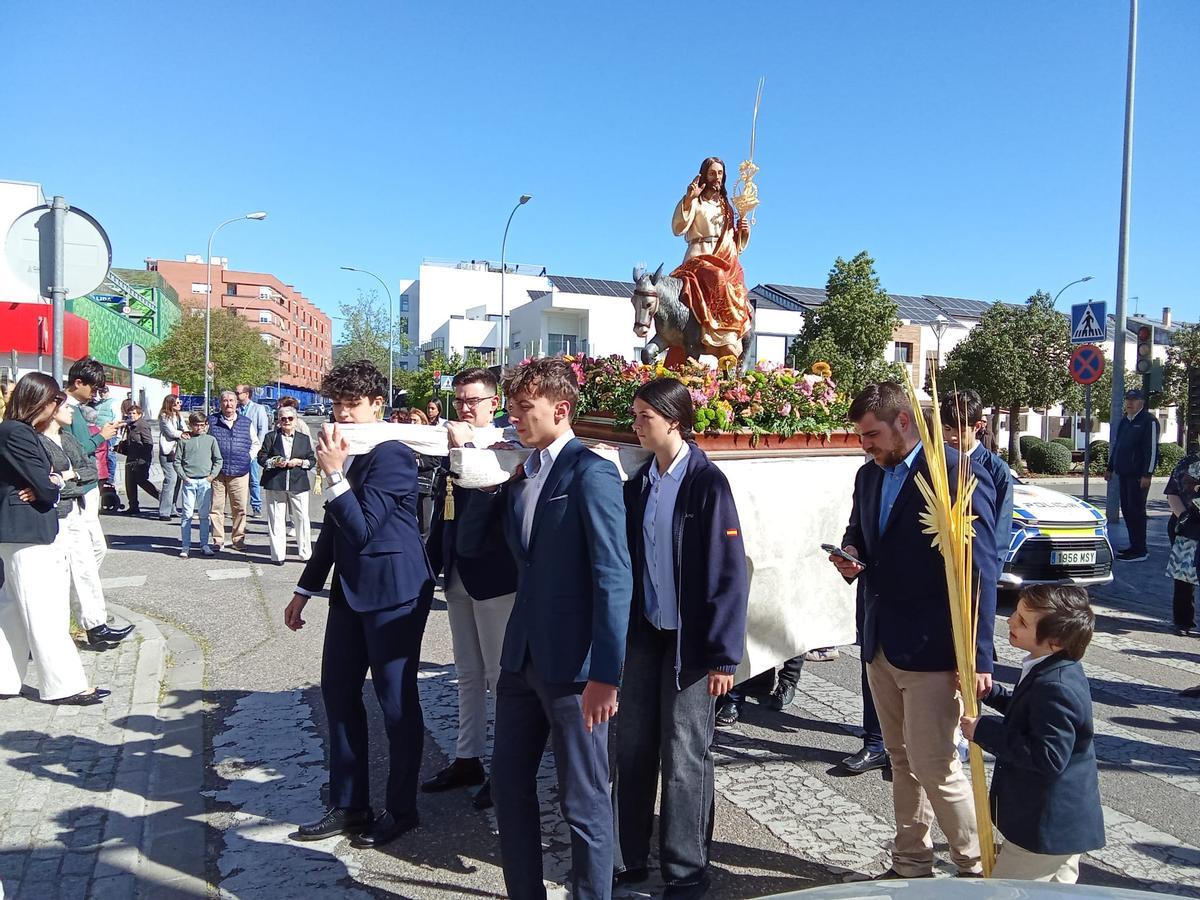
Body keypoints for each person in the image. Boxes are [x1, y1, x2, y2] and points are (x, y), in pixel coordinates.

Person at [456, 356, 632, 900]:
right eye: (509, 405)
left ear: (559, 409)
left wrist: (606, 673)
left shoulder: (591, 472)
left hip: (575, 669)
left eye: (522, 406)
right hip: (521, 661)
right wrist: (488, 485)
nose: (512, 416)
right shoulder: (523, 472)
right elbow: (470, 548)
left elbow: (614, 575)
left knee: (583, 801)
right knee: (509, 789)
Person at [829, 381, 998, 879]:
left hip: (934, 650)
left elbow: (979, 570)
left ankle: (979, 869)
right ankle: (911, 863)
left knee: (936, 766)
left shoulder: (955, 472)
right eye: (861, 437)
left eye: (872, 434)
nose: (866, 444)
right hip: (880, 640)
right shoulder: (869, 475)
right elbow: (859, 530)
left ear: (904, 422)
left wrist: (979, 657)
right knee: (900, 760)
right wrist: (851, 554)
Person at [284, 360, 435, 850]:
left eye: (352, 404)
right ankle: (350, 804)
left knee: (395, 703)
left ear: (377, 405)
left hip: (395, 590)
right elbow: (334, 529)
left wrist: (332, 474)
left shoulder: (392, 454)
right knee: (339, 693)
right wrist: (305, 588)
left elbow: (364, 526)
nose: (342, 415)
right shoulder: (346, 452)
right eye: (336, 405)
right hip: (350, 591)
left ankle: (402, 809)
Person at [614, 378, 748, 896]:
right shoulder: (641, 482)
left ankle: (686, 868)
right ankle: (629, 855)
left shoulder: (706, 483)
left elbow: (727, 574)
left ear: (674, 419)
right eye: (635, 415)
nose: (636, 425)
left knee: (686, 751)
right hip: (646, 633)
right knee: (633, 745)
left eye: (645, 416)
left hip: (692, 644)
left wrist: (723, 655)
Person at [960, 585, 1104, 883]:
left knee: (1007, 889)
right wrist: (993, 694)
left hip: (1045, 825)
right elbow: (1031, 714)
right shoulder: (1055, 668)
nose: (1011, 621)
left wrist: (983, 730)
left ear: (1053, 641)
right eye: (1016, 612)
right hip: (1061, 826)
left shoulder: (1056, 686)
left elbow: (1047, 756)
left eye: (1023, 621)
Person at [422, 367, 518, 811]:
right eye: (459, 400)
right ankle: (468, 757)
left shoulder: (505, 444)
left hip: (494, 571)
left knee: (500, 676)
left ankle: (505, 768)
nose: (463, 408)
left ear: (492, 404)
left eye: (472, 400)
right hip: (457, 567)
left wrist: (463, 448)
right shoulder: (449, 442)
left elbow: (492, 497)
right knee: (467, 671)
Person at [0, 373, 109, 705]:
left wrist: (50, 481)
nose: (58, 408)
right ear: (41, 402)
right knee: (44, 609)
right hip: (27, 530)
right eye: (55, 402)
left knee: (14, 611)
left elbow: (46, 481)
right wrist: (54, 481)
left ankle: (4, 679)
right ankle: (64, 685)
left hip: (21, 530)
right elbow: (46, 485)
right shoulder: (17, 433)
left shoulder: (17, 432)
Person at [36, 385, 134, 649]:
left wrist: (69, 476)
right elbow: (44, 484)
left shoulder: (67, 440)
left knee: (87, 566)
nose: (71, 410)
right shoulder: (39, 442)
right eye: (65, 407)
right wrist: (68, 479)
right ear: (51, 410)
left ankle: (96, 625)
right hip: (57, 516)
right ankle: (68, 629)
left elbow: (90, 470)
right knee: (62, 574)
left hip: (76, 509)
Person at [671, 156, 753, 361]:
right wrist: (689, 199)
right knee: (716, 275)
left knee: (738, 287)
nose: (717, 177)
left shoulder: (726, 206)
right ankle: (715, 334)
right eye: (712, 173)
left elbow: (734, 242)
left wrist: (742, 232)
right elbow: (678, 228)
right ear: (704, 176)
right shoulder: (696, 201)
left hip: (725, 255)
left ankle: (731, 335)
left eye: (720, 173)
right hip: (699, 255)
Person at [1105, 388, 1159, 562]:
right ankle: (1133, 546)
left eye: (1134, 400)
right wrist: (1110, 467)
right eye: (1128, 399)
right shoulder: (1124, 421)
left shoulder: (1148, 421)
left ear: (1141, 402)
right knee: (1127, 511)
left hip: (1138, 475)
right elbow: (1118, 446)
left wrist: (1147, 474)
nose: (1130, 402)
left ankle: (1140, 550)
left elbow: (1151, 449)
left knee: (1137, 511)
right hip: (1124, 472)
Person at [258, 406, 315, 564]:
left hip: (298, 482)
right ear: (279, 420)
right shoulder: (271, 437)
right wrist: (275, 461)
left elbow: (312, 460)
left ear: (296, 420)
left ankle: (305, 554)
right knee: (276, 519)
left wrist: (300, 462)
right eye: (283, 419)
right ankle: (278, 556)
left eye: (290, 419)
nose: (287, 422)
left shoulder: (303, 438)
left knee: (302, 518)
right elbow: (261, 457)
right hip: (276, 482)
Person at [208, 390, 257, 553]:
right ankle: (218, 540)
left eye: (231, 400)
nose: (228, 404)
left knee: (240, 508)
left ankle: (238, 539)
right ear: (220, 403)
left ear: (236, 403)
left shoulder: (246, 422)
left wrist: (247, 458)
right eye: (225, 401)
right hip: (217, 472)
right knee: (216, 508)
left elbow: (255, 444)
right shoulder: (212, 421)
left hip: (240, 471)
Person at [174, 412, 223, 558]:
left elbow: (218, 459)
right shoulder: (184, 441)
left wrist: (211, 476)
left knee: (203, 515)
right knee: (187, 514)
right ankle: (185, 546)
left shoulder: (211, 440)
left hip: (205, 481)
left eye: (203, 425)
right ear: (191, 425)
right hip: (189, 480)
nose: (200, 428)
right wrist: (183, 476)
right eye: (196, 425)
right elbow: (177, 461)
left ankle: (204, 544)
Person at [1163, 450, 1200, 637]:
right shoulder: (1188, 462)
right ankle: (1183, 621)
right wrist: (1184, 517)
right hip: (1187, 524)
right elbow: (1172, 493)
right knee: (1184, 575)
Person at [236, 384, 271, 516]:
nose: (236, 395)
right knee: (237, 480)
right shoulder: (237, 409)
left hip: (253, 449)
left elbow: (263, 429)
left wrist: (258, 448)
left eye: (238, 392)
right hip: (238, 450)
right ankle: (239, 507)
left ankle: (256, 506)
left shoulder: (258, 409)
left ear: (247, 394)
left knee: (253, 479)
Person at [119, 404, 160, 515]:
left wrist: (144, 460)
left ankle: (162, 498)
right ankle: (133, 506)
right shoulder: (130, 425)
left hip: (141, 458)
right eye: (130, 413)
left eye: (134, 413)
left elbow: (148, 443)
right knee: (129, 482)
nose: (131, 415)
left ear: (140, 414)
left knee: (141, 480)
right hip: (131, 457)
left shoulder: (142, 425)